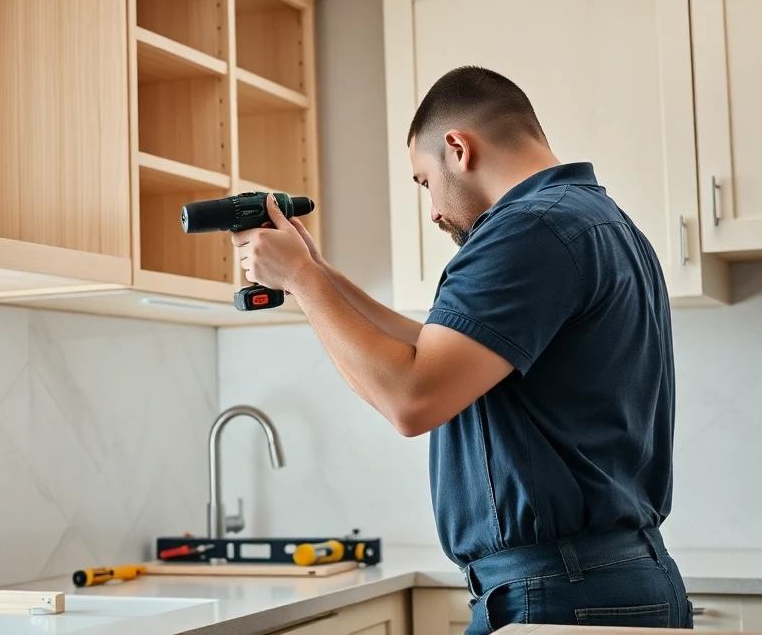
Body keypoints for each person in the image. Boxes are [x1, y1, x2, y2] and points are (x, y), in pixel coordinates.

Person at [234, 66, 692, 634]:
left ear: (457, 148)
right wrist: (318, 270)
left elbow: (412, 399)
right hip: (613, 576)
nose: (432, 211)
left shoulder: (526, 229)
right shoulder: (596, 221)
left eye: (424, 182)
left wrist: (302, 283)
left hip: (556, 587)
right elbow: (434, 349)